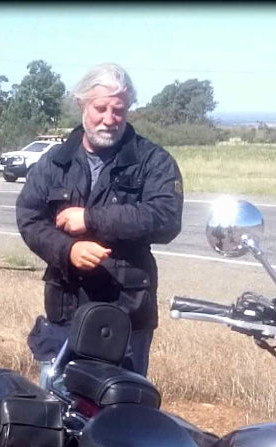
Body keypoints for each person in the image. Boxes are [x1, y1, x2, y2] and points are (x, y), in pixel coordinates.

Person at [15, 62, 184, 376]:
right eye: (100, 108)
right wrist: (68, 250)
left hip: (127, 314)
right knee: (58, 410)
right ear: (82, 104)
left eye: (118, 110)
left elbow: (166, 218)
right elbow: (29, 218)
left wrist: (91, 220)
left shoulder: (153, 161)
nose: (109, 119)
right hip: (66, 310)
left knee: (121, 410)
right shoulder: (55, 162)